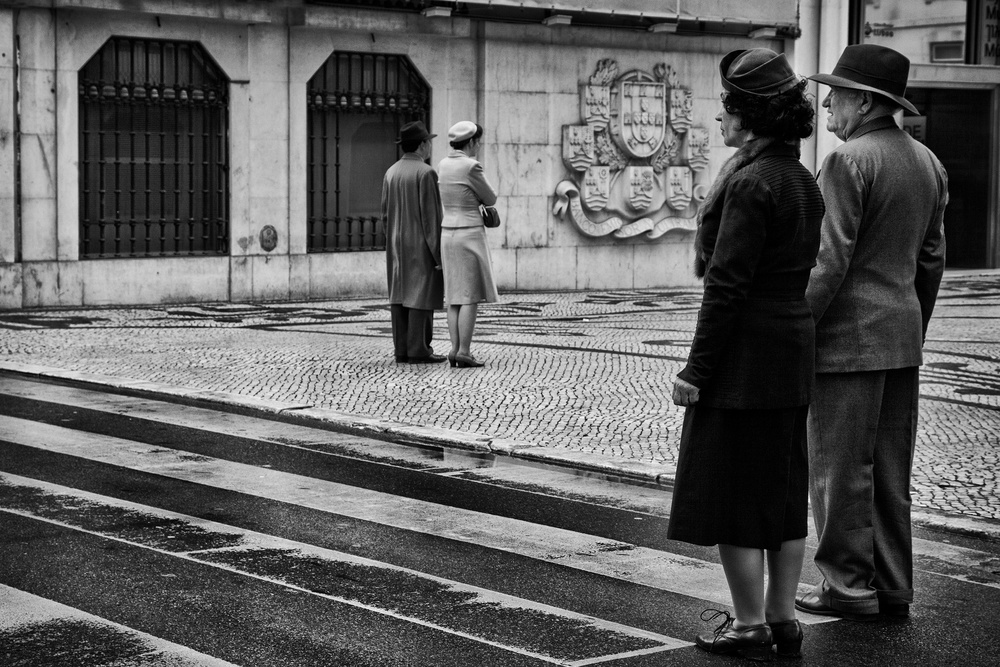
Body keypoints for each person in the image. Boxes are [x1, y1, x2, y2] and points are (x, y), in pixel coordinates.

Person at [667, 48, 825, 661]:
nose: (718, 119)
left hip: (745, 357)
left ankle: (750, 625)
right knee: (782, 491)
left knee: (734, 492)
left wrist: (696, 371)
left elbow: (727, 288)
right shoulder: (801, 179)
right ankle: (784, 620)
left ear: (750, 117)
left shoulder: (752, 182)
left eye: (725, 108)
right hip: (790, 347)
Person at [796, 44, 948, 621]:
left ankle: (847, 585)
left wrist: (796, 330)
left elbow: (827, 262)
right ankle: (892, 584)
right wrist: (909, 325)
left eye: (835, 95)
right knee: (888, 470)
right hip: (900, 340)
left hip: (846, 343)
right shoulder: (927, 162)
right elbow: (931, 260)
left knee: (838, 469)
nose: (826, 105)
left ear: (863, 102)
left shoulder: (847, 161)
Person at [381, 120, 447, 364]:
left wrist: (392, 239)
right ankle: (419, 349)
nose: (430, 145)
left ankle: (402, 349)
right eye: (428, 141)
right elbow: (431, 219)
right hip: (420, 244)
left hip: (396, 244)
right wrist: (439, 255)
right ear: (422, 145)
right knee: (421, 294)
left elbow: (384, 215)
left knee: (399, 294)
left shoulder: (391, 172)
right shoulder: (426, 173)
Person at [437, 121, 499, 368]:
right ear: (471, 141)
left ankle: (454, 349)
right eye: (478, 142)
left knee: (454, 295)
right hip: (469, 233)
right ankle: (464, 350)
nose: (479, 146)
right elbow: (491, 197)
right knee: (469, 295)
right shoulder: (471, 166)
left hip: (447, 233)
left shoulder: (443, 164)